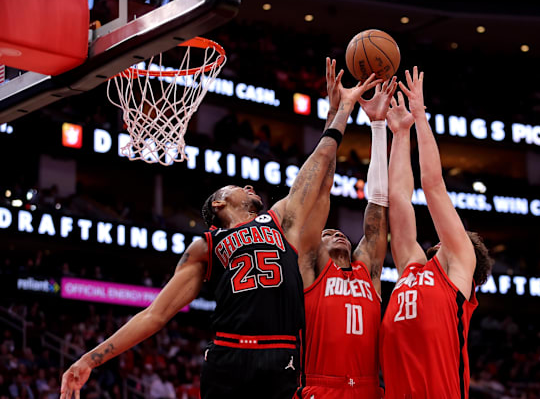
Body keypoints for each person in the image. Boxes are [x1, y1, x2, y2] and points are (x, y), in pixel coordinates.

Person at [59, 58, 381, 399]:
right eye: (239, 187)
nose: (250, 187)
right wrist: (89, 361)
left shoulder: (279, 221)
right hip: (228, 355)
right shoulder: (206, 247)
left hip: (280, 357)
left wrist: (338, 111)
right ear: (218, 204)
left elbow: (319, 171)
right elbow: (156, 314)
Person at [380, 67, 494, 399]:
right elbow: (399, 199)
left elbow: (433, 186)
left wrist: (421, 117)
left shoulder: (459, 269)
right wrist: (400, 133)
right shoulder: (412, 269)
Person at [297, 74, 397, 399]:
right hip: (319, 387)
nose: (336, 232)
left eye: (338, 231)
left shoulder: (367, 270)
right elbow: (319, 191)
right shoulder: (312, 268)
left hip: (369, 388)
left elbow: (378, 206)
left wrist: (378, 127)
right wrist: (336, 113)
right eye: (327, 233)